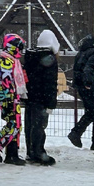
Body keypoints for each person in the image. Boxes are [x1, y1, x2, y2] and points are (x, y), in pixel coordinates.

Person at [0, 33, 27, 166]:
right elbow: (6, 81)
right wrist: (9, 97)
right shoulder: (6, 61)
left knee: (16, 125)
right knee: (13, 125)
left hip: (13, 96)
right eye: (19, 46)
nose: (21, 49)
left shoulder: (13, 60)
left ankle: (12, 154)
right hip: (9, 97)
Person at [23, 29, 61, 165]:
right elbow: (50, 82)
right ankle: (39, 152)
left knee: (30, 124)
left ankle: (31, 151)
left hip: (30, 96)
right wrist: (51, 102)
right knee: (40, 125)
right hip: (43, 98)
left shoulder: (30, 56)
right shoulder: (49, 59)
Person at [69, 30, 94, 149]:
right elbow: (90, 68)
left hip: (80, 84)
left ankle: (81, 135)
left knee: (93, 111)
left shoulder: (85, 49)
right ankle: (92, 139)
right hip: (90, 86)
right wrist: (89, 82)